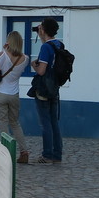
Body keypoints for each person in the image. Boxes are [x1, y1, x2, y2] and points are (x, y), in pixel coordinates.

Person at [0, 31, 28, 163]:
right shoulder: (25, 59)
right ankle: (24, 152)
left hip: (1, 94)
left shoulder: (2, 56)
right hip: (14, 95)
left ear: (8, 42)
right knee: (15, 124)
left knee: (3, 124)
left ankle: (7, 154)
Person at [30, 18, 64, 164]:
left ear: (43, 30)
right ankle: (57, 154)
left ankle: (47, 154)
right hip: (55, 88)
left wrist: (33, 65)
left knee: (45, 123)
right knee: (54, 122)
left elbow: (42, 71)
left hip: (44, 89)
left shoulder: (45, 48)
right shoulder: (59, 44)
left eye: (40, 29)